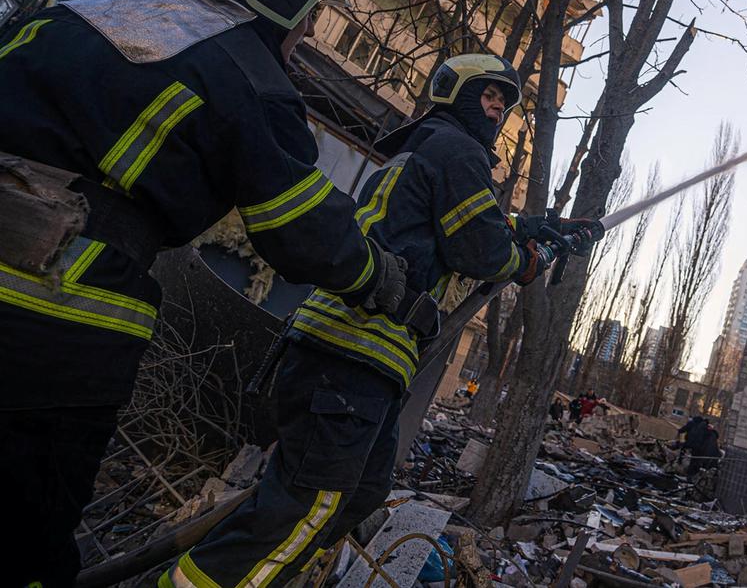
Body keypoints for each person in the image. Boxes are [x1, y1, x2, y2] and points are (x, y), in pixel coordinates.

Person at [0, 0, 408, 588]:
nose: (308, 33)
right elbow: (303, 231)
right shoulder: (244, 73)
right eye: (311, 13)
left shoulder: (78, 16)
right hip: (52, 307)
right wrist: (380, 276)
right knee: (26, 539)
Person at [168, 52, 597, 586]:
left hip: (352, 353)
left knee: (359, 494)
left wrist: (530, 224)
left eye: (505, 103)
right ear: (455, 93)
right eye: (488, 95)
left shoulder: (431, 149)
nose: (497, 110)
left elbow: (459, 218)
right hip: (354, 352)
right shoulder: (458, 150)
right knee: (311, 505)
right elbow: (480, 249)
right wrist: (529, 260)